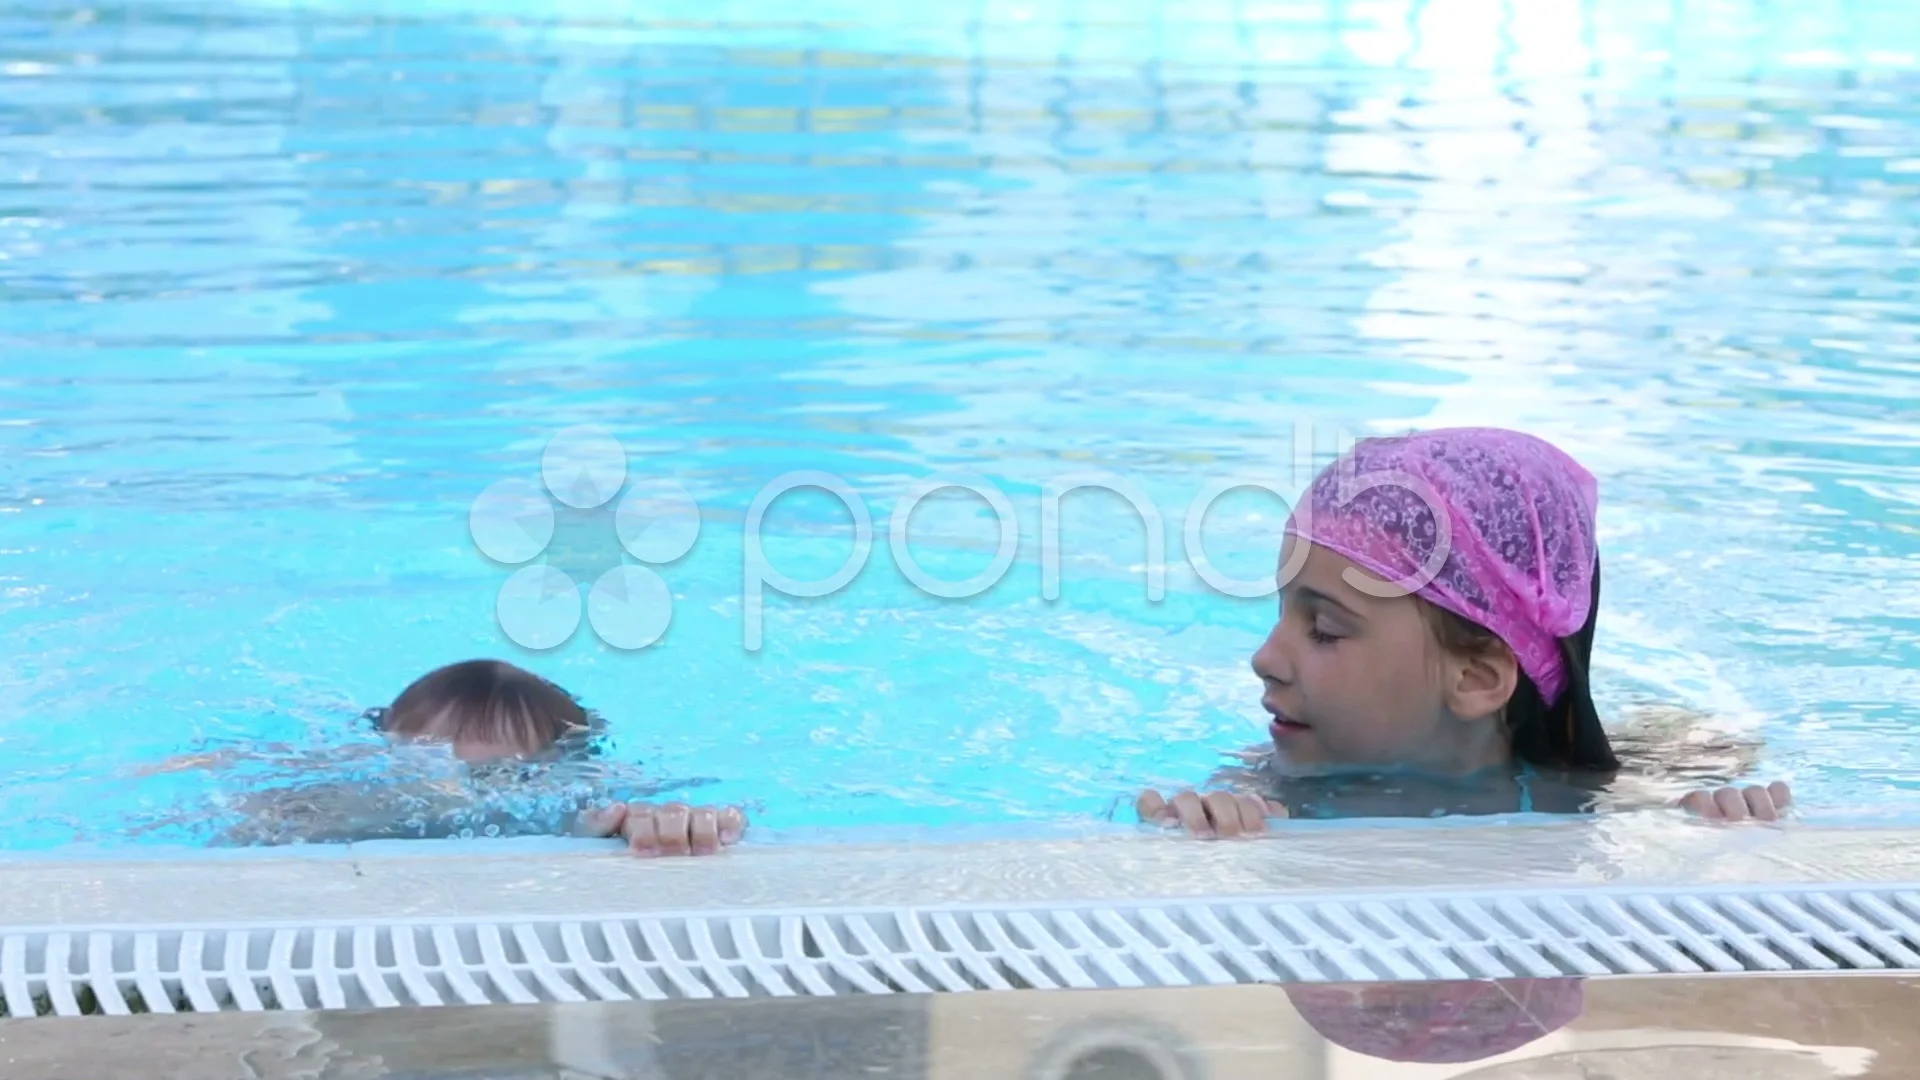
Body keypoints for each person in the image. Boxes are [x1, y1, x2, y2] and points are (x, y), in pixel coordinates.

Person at [1135, 427, 1793, 838]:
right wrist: (1199, 819)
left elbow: (1713, 765)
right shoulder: (1267, 786)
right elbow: (1167, 818)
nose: (1264, 658)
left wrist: (1728, 818)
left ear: (1475, 678)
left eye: (1325, 630)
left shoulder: (1607, 796)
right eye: (1281, 614)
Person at [150, 659, 747, 856]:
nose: (457, 790)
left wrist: (664, 822)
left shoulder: (581, 795)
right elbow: (221, 785)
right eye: (429, 763)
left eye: (496, 775)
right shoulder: (338, 783)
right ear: (381, 748)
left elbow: (661, 805)